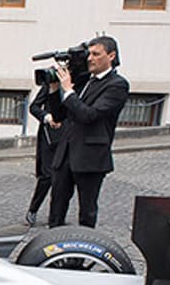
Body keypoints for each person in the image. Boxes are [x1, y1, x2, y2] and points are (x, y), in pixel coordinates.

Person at [48, 35, 128, 228]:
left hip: (91, 157)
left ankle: (81, 253)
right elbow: (59, 115)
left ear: (111, 56)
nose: (90, 58)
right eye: (89, 54)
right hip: (65, 153)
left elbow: (89, 115)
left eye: (96, 54)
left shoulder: (117, 84)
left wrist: (68, 91)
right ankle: (53, 250)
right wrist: (54, 90)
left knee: (87, 211)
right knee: (56, 208)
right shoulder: (85, 81)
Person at [24, 84, 64, 225]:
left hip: (69, 136)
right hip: (49, 137)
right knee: (47, 176)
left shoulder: (82, 81)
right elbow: (34, 107)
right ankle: (33, 209)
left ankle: (56, 216)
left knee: (63, 178)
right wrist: (47, 117)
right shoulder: (53, 81)